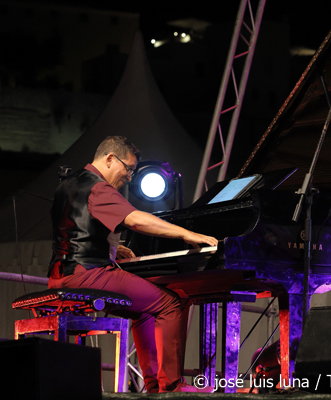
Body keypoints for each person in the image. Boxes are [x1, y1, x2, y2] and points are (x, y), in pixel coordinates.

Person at [47, 136, 218, 393]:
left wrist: (111, 248)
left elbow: (73, 230)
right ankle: (171, 386)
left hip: (59, 275)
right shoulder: (98, 187)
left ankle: (154, 385)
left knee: (144, 310)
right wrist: (186, 234)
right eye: (128, 168)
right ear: (109, 159)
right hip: (87, 275)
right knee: (170, 302)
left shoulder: (68, 183)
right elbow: (136, 219)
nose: (129, 177)